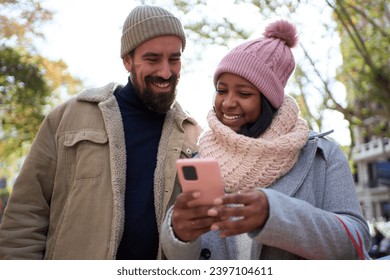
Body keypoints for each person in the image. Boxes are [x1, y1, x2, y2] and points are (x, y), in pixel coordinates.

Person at [0, 5, 201, 260]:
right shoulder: (68, 118)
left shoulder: (192, 136)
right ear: (127, 60)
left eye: (174, 58)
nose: (165, 71)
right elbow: (25, 215)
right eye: (152, 59)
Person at [160, 19, 372, 259]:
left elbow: (356, 242)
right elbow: (176, 259)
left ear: (270, 101)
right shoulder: (199, 159)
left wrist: (276, 214)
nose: (228, 102)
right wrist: (178, 234)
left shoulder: (321, 155)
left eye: (244, 93)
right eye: (221, 90)